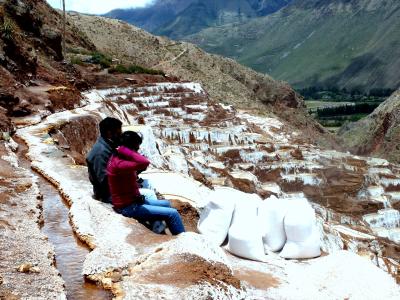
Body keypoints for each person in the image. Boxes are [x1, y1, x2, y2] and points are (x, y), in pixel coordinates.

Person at [107, 131, 185, 235]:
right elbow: (144, 162)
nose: (138, 151)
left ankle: (162, 232)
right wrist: (125, 149)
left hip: (132, 202)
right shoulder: (120, 164)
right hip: (128, 208)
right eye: (136, 148)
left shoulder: (118, 158)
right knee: (173, 214)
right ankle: (182, 240)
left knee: (166, 204)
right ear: (130, 148)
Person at [86, 117, 122, 203]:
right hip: (107, 195)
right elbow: (104, 181)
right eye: (119, 132)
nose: (121, 134)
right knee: (148, 194)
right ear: (109, 133)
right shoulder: (101, 152)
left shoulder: (108, 145)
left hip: (114, 190)